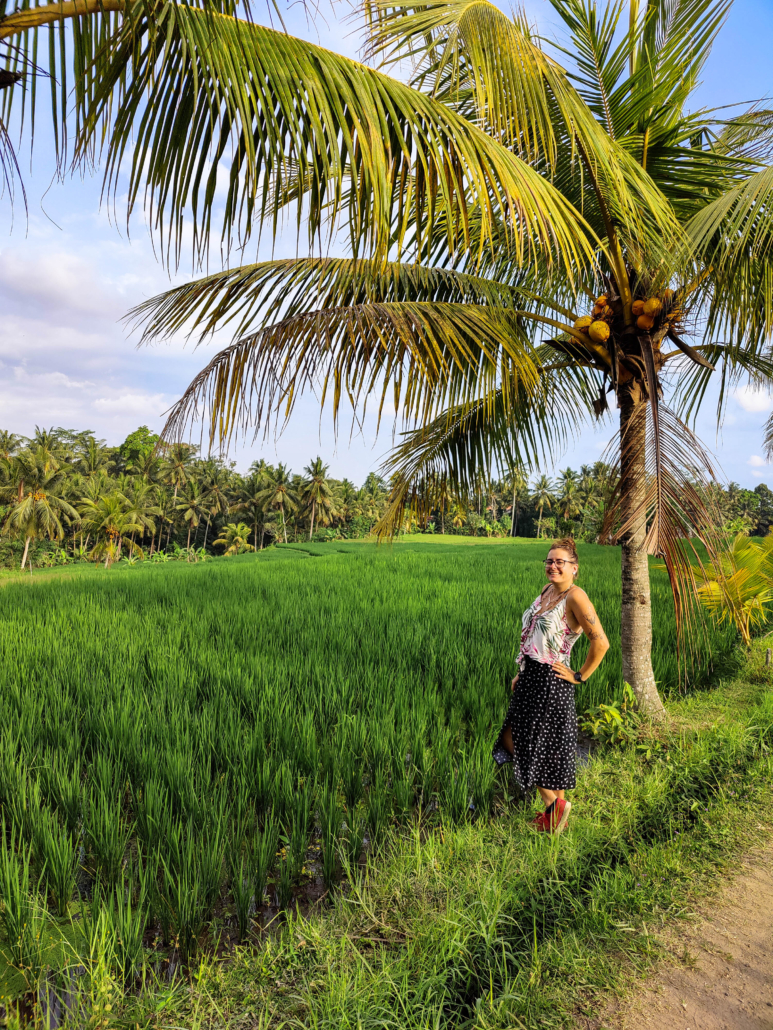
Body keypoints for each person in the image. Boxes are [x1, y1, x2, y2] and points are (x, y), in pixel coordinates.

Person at [492, 538, 609, 834]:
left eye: (560, 562)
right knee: (551, 747)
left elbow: (601, 642)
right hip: (533, 675)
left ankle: (553, 806)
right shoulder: (547, 591)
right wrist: (523, 669)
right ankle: (555, 819)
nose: (553, 566)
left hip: (550, 681)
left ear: (575, 568)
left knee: (518, 740)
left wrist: (579, 675)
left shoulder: (575, 596)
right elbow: (533, 635)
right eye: (549, 561)